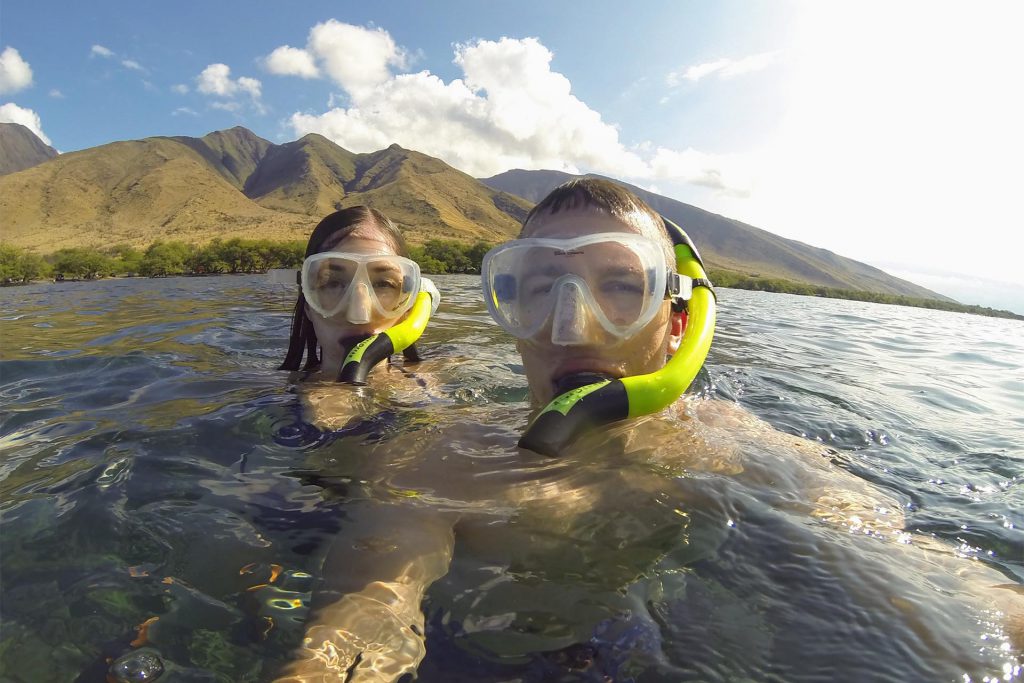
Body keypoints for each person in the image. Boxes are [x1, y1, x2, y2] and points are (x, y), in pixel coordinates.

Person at [275, 181, 1022, 681]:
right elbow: (363, 622)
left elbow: (917, 568)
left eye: (622, 287)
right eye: (536, 289)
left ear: (677, 325)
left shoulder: (735, 442)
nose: (570, 324)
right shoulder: (437, 463)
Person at [278, 206, 440, 430]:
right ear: (307, 305)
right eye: (332, 283)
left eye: (384, 284)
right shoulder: (270, 395)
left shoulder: (439, 376)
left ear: (408, 305)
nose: (359, 314)